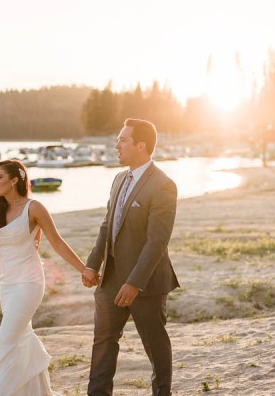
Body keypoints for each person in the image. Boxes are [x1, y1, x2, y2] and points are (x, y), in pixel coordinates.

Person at [0, 159, 98, 396]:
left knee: (4, 343)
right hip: (8, 285)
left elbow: (57, 242)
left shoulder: (34, 208)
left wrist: (83, 268)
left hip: (29, 283)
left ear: (15, 180)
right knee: (21, 337)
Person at [82, 118, 179, 396]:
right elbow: (107, 225)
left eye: (122, 140)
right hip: (110, 280)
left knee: (155, 345)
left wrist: (135, 282)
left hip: (145, 284)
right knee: (103, 341)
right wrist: (92, 264)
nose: (116, 146)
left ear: (141, 145)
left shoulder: (163, 185)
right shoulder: (118, 179)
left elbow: (157, 240)